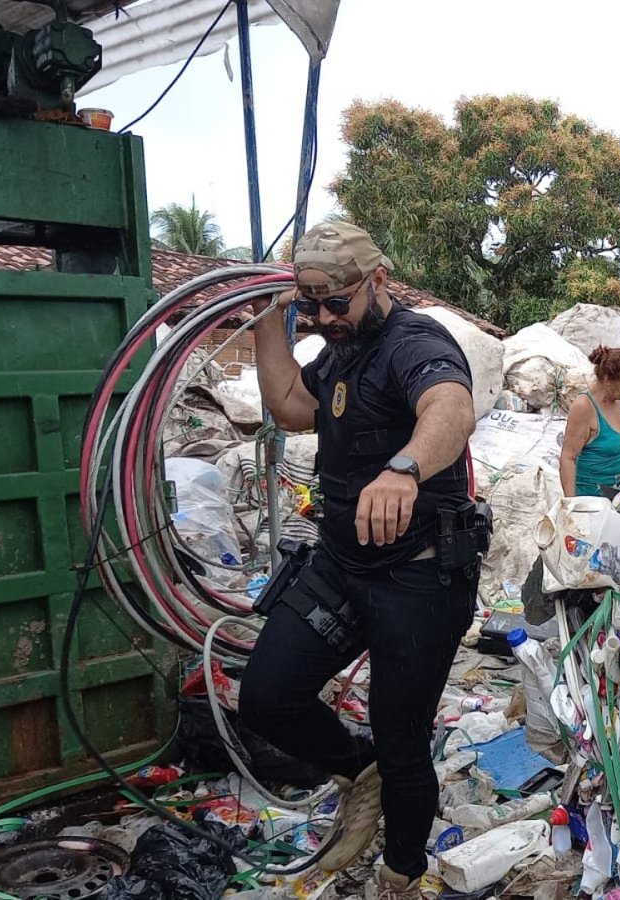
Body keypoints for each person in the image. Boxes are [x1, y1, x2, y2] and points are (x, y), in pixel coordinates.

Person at [237, 222, 481, 900]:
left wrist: (404, 469)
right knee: (266, 694)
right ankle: (357, 770)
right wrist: (268, 327)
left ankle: (400, 872)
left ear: (377, 282)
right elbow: (292, 408)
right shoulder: (339, 348)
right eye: (308, 305)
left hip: (419, 576)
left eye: (333, 303)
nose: (322, 319)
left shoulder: (415, 344)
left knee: (402, 733)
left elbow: (451, 409)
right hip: (343, 564)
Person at [559, 346, 620, 497]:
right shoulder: (584, 407)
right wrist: (571, 505)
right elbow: (567, 458)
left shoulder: (615, 404)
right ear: (608, 379)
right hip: (594, 500)